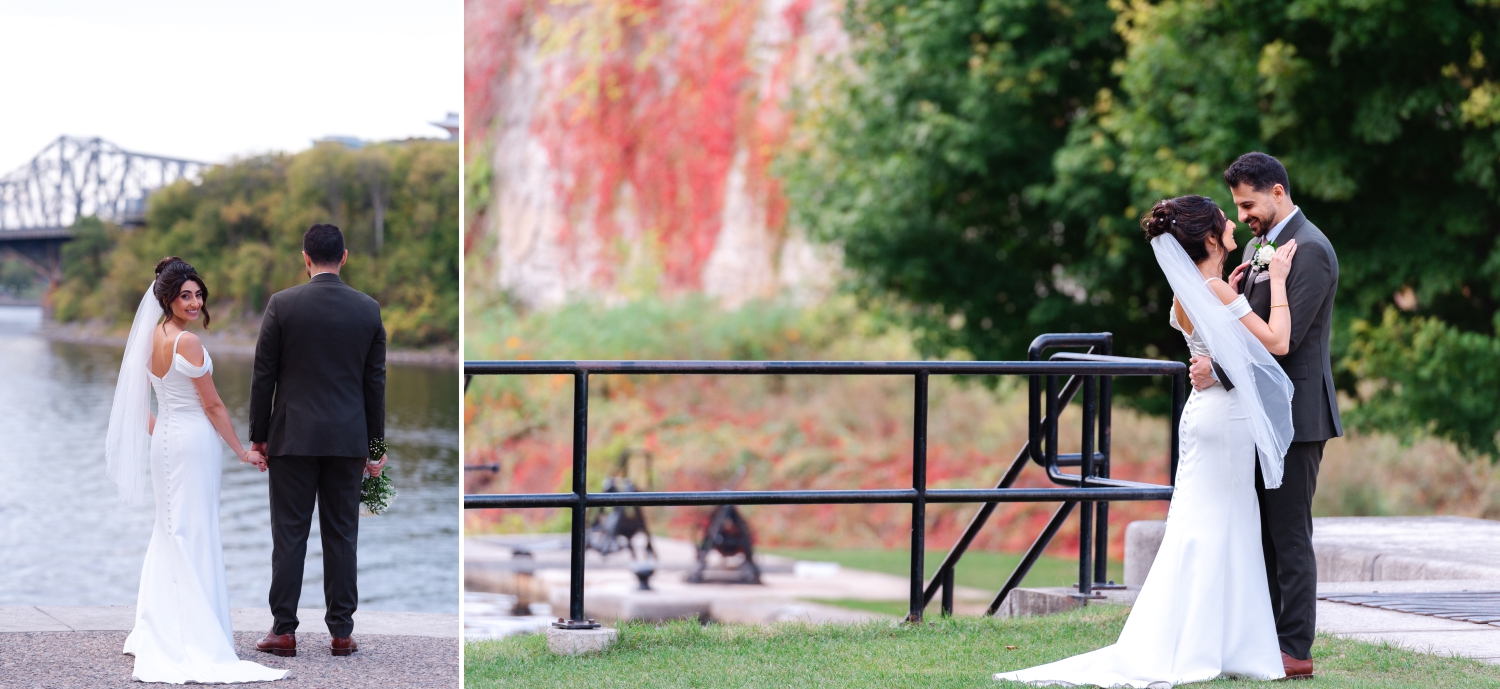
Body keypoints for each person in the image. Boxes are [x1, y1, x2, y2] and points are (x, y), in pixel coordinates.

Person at [996, 194, 1299, 687]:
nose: (1232, 225)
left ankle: (1204, 639)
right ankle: (1221, 644)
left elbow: (1219, 340)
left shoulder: (1187, 294)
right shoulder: (1216, 291)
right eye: (1225, 221)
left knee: (1199, 526)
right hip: (1227, 419)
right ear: (1209, 238)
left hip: (1202, 417)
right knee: (1222, 526)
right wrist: (1279, 283)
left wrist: (1234, 290)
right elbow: (1278, 342)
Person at [105, 257, 287, 683]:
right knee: (196, 529)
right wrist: (243, 451)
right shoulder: (187, 343)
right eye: (185, 295)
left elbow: (137, 406)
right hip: (195, 444)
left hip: (166, 441)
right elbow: (213, 405)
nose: (194, 301)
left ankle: (161, 625)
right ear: (166, 298)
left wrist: (161, 431)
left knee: (170, 529)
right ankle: (199, 634)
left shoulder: (149, 338)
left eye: (198, 294)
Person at [1196, 152, 1342, 679]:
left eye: (1249, 204)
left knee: (1289, 533)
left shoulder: (1313, 251)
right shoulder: (1260, 248)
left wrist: (1223, 369)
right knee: (1261, 532)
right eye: (1239, 206)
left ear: (1278, 191)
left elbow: (1283, 342)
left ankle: (1295, 649)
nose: (1244, 215)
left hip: (1297, 416)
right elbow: (1249, 333)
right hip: (1259, 411)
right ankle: (1264, 637)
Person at [249, 223, 386, 658]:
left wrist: (258, 437)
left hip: (291, 437)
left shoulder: (281, 304)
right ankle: (341, 633)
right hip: (348, 440)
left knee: (289, 536)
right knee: (342, 535)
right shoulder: (368, 309)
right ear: (344, 256)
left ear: (305, 257)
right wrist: (376, 449)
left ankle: (284, 631)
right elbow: (374, 384)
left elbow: (263, 375)